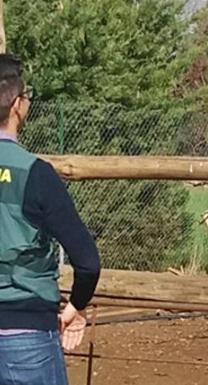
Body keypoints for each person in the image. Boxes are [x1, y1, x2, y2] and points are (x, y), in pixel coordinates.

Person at [0, 53, 101, 385]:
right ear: (17, 104)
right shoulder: (35, 174)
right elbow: (87, 263)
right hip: (25, 335)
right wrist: (75, 308)